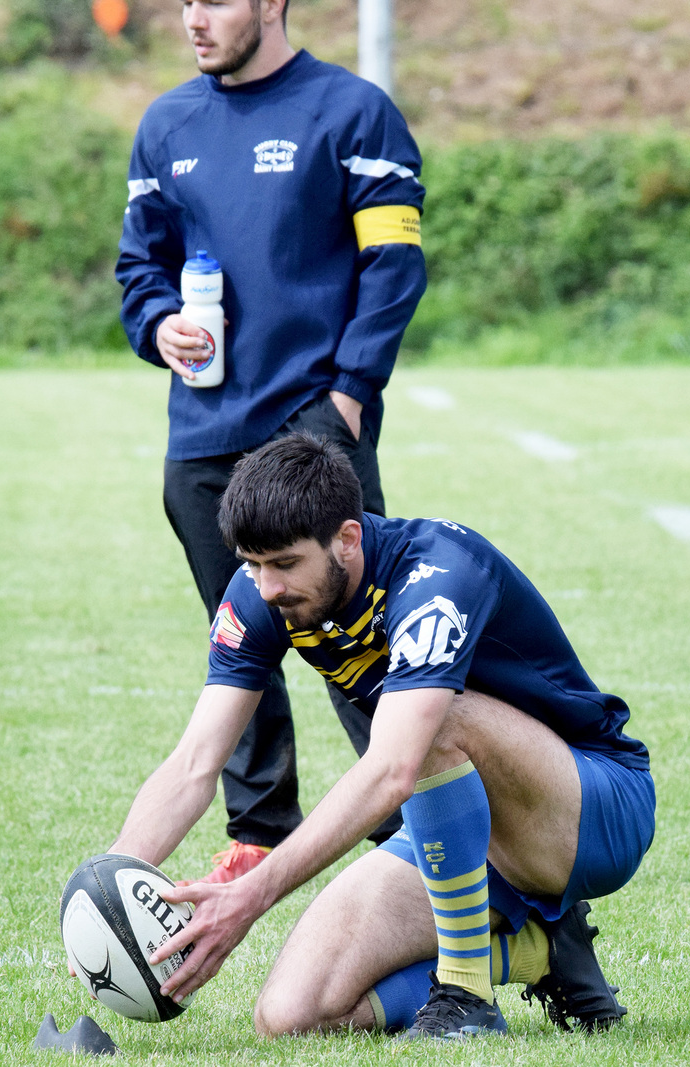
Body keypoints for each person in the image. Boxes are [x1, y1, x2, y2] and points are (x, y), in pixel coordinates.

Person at [104, 434, 655, 1039]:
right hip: (458, 825)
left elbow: (394, 768)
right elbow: (194, 764)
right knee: (291, 1015)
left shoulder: (438, 575)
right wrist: (107, 886)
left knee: (433, 720)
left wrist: (252, 894)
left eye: (284, 564)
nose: (266, 587)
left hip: (590, 810)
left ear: (347, 538)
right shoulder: (264, 593)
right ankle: (543, 953)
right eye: (252, 564)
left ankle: (466, 994)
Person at [115, 0, 428, 882]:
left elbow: (394, 266)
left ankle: (413, 830)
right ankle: (257, 829)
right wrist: (160, 322)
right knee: (236, 637)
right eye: (185, 1)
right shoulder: (167, 123)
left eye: (214, 0)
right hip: (203, 430)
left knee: (357, 635)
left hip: (312, 425)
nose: (194, 18)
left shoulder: (353, 113)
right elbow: (140, 264)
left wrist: (350, 396)